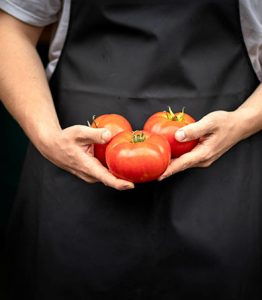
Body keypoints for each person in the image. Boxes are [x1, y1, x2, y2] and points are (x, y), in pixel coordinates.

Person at [0, 0, 261, 299]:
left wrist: (243, 122)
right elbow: (11, 30)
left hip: (220, 179)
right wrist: (47, 135)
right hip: (75, 169)